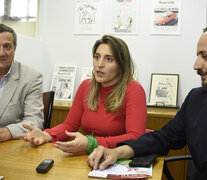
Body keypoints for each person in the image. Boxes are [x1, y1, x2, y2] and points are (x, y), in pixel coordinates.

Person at [87, 28, 207, 180]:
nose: (196, 65)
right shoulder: (195, 99)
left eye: (206, 57)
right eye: (198, 56)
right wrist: (117, 152)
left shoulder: (134, 89)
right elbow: (163, 138)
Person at [18, 35, 147, 155]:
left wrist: (92, 143)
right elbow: (70, 125)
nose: (100, 64)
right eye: (97, 57)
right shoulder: (86, 86)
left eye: (109, 59)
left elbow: (135, 136)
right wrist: (47, 135)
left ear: (121, 66)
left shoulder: (134, 90)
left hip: (120, 156)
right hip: (91, 154)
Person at [0, 24, 44, 142]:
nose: (1, 53)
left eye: (7, 47)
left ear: (14, 48)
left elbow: (34, 121)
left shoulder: (32, 78)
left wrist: (7, 132)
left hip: (11, 147)